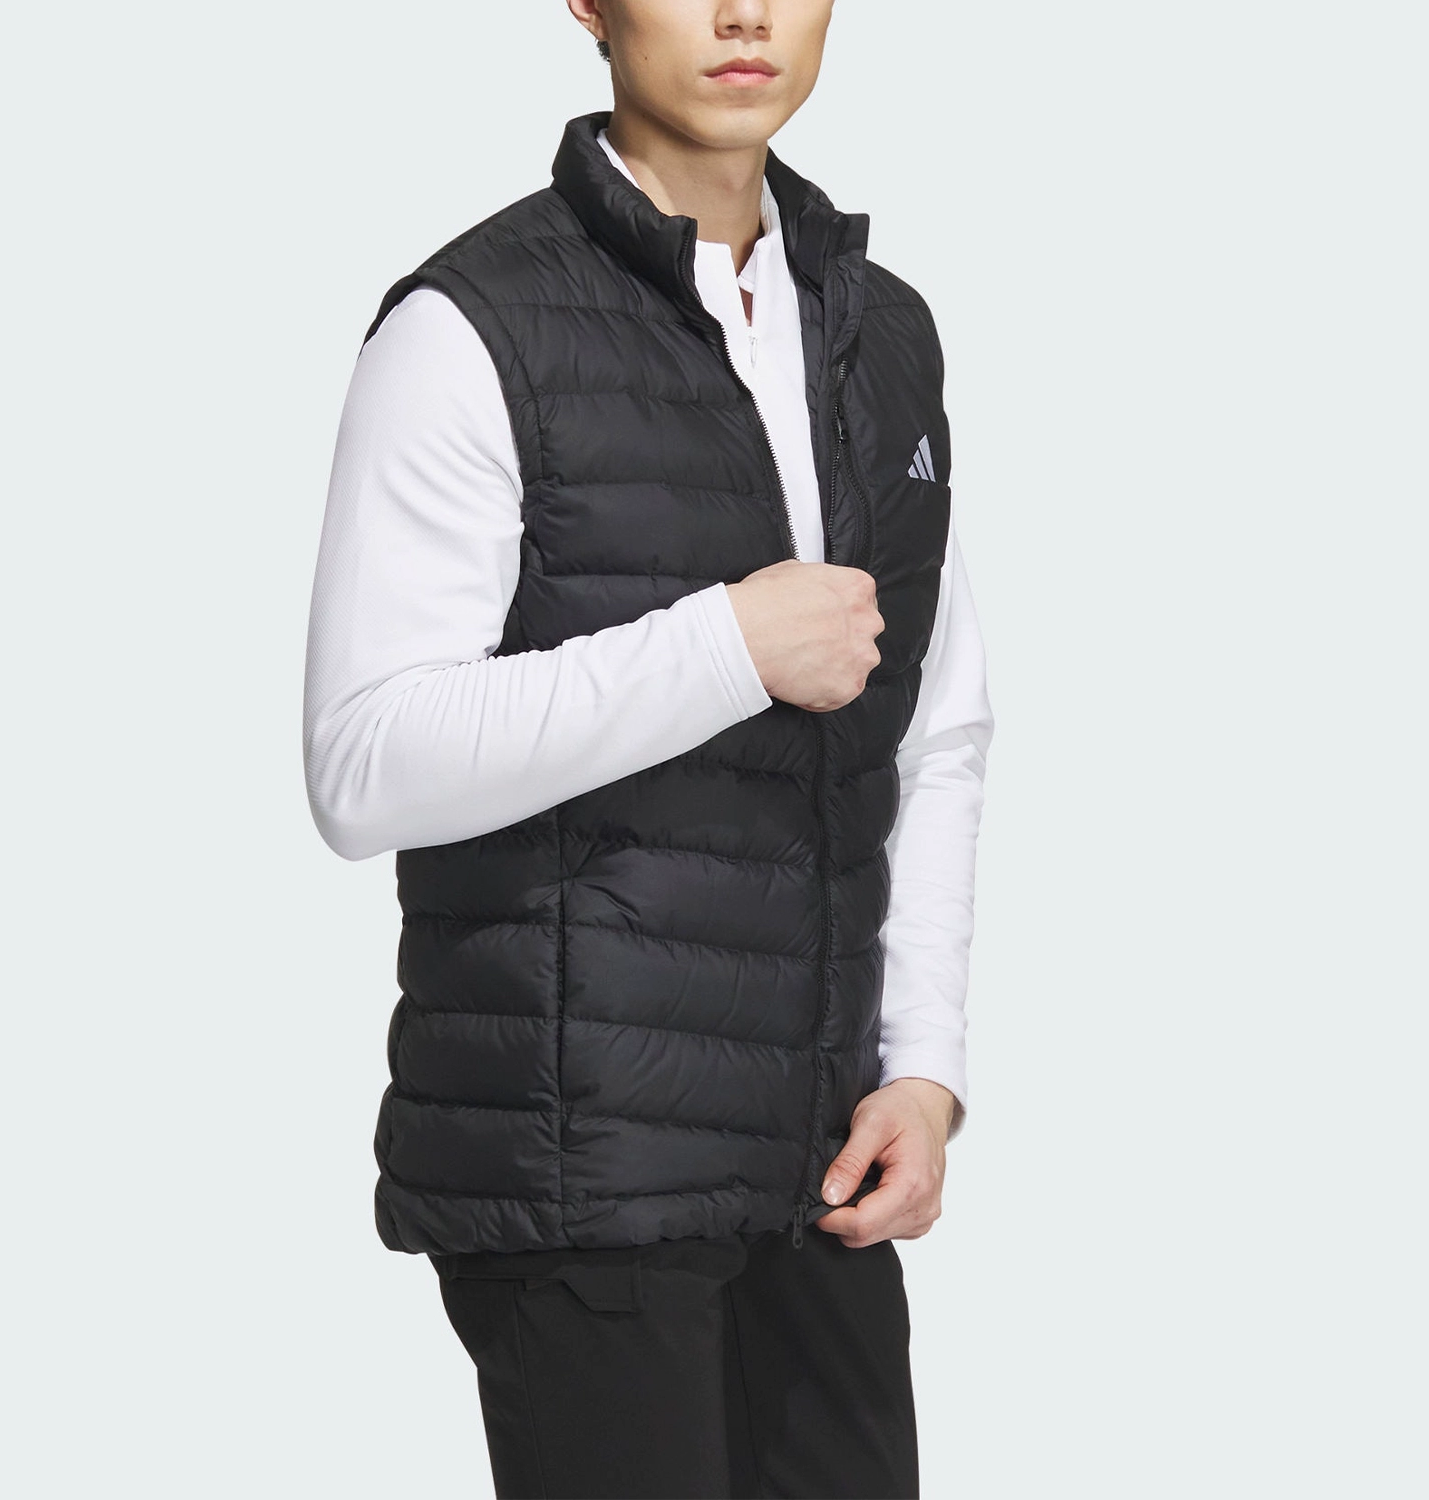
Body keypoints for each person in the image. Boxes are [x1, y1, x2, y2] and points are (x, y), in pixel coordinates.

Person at [302, 2, 993, 1494]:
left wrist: (923, 1071)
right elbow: (364, 762)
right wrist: (725, 647)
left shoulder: (882, 331)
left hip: (818, 1168)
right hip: (582, 1172)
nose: (745, 12)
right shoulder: (470, 326)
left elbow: (935, 727)